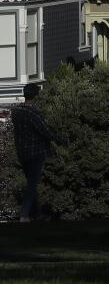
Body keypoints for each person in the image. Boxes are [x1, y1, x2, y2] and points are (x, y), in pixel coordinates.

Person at [11, 83, 56, 222]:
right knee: (32, 184)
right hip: (36, 152)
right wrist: (58, 138)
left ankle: (37, 214)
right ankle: (24, 215)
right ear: (36, 95)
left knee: (32, 182)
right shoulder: (34, 113)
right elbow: (44, 131)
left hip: (22, 152)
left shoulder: (17, 112)